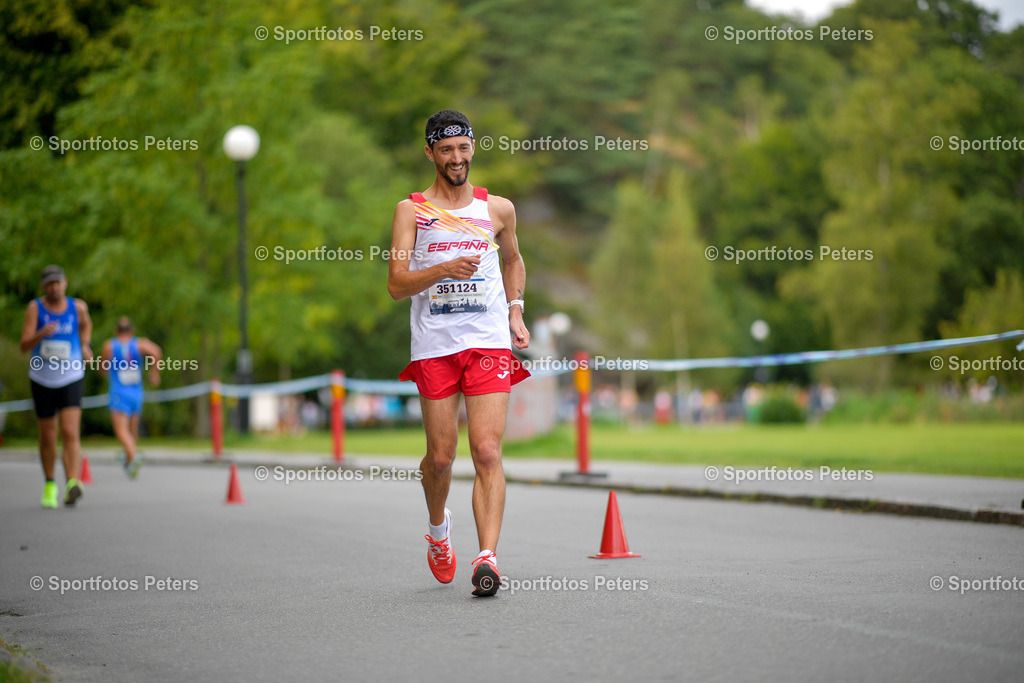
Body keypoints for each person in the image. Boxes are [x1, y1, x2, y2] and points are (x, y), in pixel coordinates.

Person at [388, 109, 530, 597]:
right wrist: (443, 268)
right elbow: (396, 285)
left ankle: (487, 557)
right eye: (446, 149)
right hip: (435, 345)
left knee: (487, 449)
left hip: (486, 341)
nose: (456, 157)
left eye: (463, 147)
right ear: (430, 152)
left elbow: (513, 260)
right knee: (442, 457)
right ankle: (438, 529)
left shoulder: (498, 209)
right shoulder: (411, 211)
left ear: (473, 148)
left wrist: (515, 311)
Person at [19, 265, 93, 508]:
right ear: (44, 286)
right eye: (50, 284)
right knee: (48, 436)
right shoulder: (35, 308)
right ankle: (50, 483)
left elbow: (86, 325)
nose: (54, 288)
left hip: (71, 376)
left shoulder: (77, 307)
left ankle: (72, 482)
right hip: (42, 379)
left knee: (70, 431)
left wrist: (85, 345)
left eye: (57, 283)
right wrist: (41, 333)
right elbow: (23, 345)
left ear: (65, 283)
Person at [100, 317, 162, 478]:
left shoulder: (110, 346)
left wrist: (105, 370)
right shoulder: (139, 344)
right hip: (136, 393)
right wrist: (154, 373)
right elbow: (156, 351)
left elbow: (102, 368)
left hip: (119, 393)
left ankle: (133, 455)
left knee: (121, 430)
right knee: (132, 430)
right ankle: (130, 462)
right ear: (132, 331)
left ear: (116, 331)